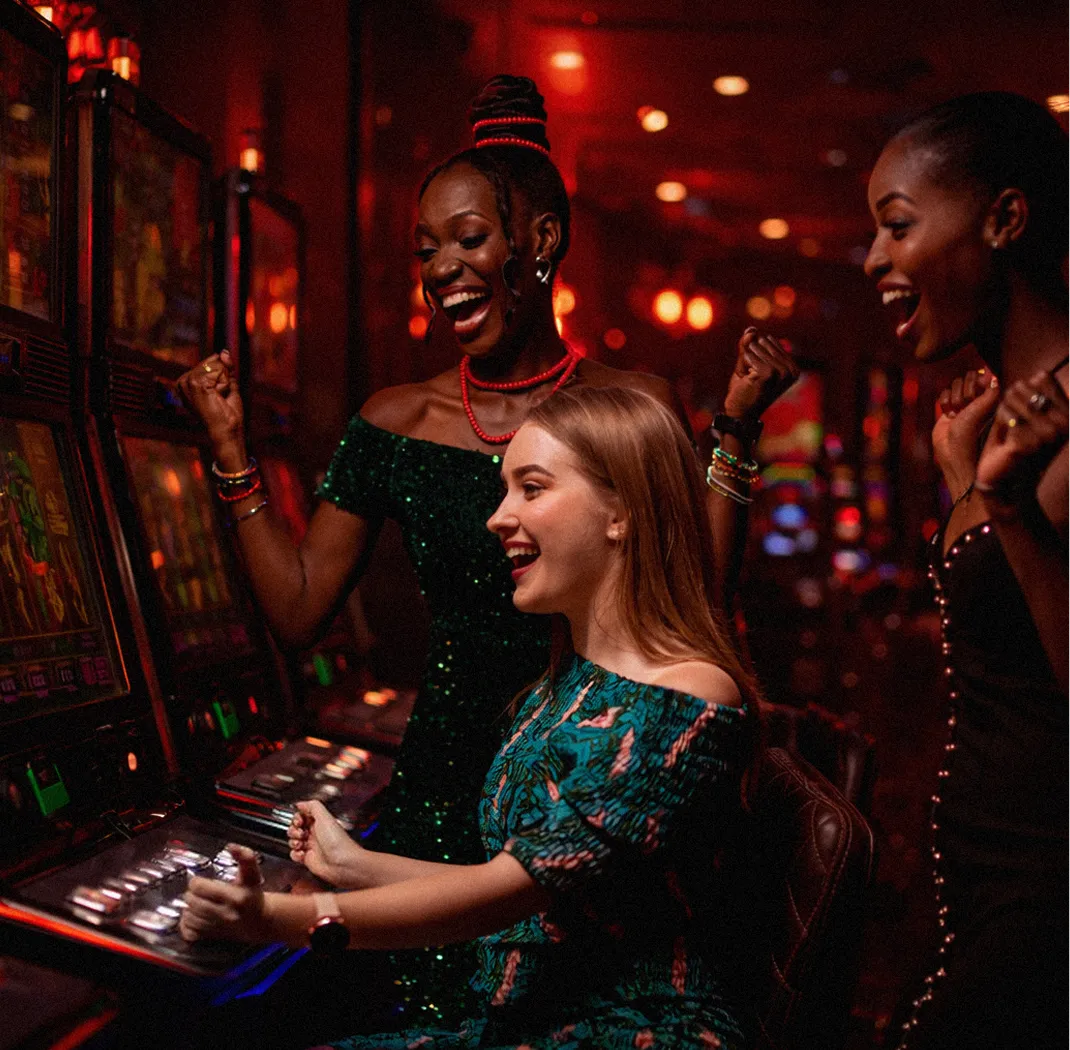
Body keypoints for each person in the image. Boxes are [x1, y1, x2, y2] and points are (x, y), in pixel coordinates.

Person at [178, 74, 794, 1020]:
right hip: (450, 773)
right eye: (426, 249)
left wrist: (735, 437)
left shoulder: (624, 415)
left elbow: (690, 601)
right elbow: (298, 610)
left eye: (469, 239)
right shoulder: (396, 419)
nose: (442, 269)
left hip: (587, 750)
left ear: (537, 243)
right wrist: (231, 457)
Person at [179, 385, 760, 1050]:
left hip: (630, 1033)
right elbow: (536, 887)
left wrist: (279, 917)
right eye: (504, 488)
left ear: (621, 512)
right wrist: (354, 865)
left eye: (531, 489)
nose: (497, 517)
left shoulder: (688, 695)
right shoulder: (567, 682)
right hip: (537, 1023)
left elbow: (502, 895)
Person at [864, 91, 1070, 1050]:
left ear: (1005, 220)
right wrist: (965, 480)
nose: (875, 260)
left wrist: (1014, 509)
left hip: (1046, 900)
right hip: (977, 889)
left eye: (897, 226)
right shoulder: (1004, 421)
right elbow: (1000, 653)